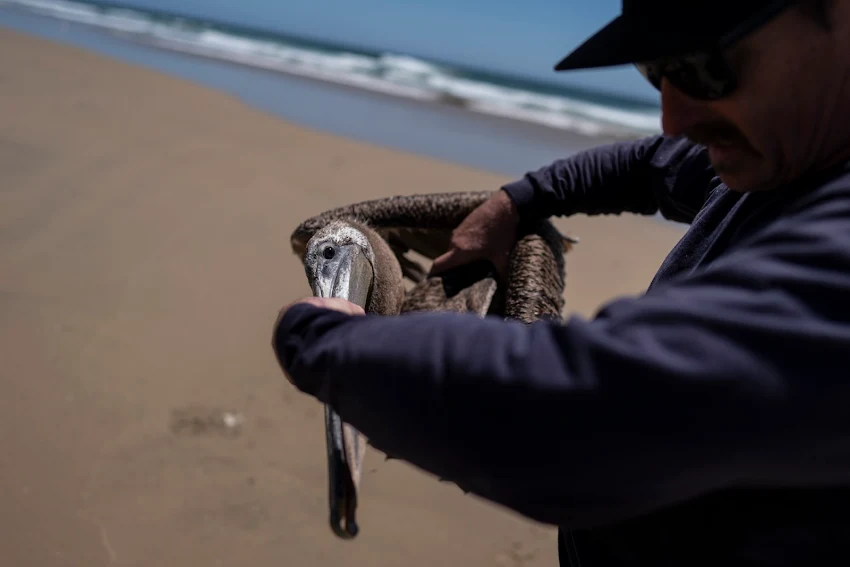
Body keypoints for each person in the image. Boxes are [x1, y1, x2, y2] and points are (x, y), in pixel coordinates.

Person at [272, 0, 850, 564]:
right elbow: (646, 164)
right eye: (656, 71)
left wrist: (320, 340)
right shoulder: (785, 158)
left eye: (703, 67)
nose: (675, 118)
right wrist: (516, 201)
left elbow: (580, 416)